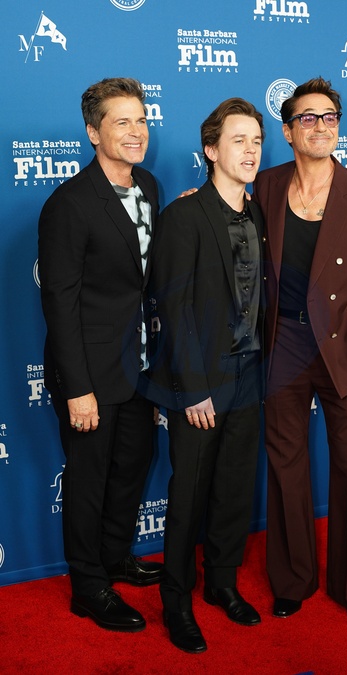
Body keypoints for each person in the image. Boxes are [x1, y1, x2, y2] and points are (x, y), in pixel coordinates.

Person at [252, 77, 347, 625]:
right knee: (285, 465)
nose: (321, 126)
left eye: (330, 117)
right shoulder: (264, 187)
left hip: (345, 349)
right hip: (283, 345)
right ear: (288, 131)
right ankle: (292, 579)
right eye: (308, 118)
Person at [38, 77, 163, 633]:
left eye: (141, 120)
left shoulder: (150, 187)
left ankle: (115, 558)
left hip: (138, 366)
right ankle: (88, 587)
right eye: (122, 122)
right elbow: (59, 303)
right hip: (89, 372)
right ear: (93, 132)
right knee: (88, 481)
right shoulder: (69, 204)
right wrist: (78, 388)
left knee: (132, 466)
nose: (137, 132)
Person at [147, 98, 265, 653]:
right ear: (211, 150)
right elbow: (173, 308)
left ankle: (221, 583)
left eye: (257, 141)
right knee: (189, 494)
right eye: (238, 140)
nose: (250, 151)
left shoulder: (258, 214)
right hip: (200, 381)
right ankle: (176, 601)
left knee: (234, 489)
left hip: (250, 374)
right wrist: (193, 389)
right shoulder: (184, 216)